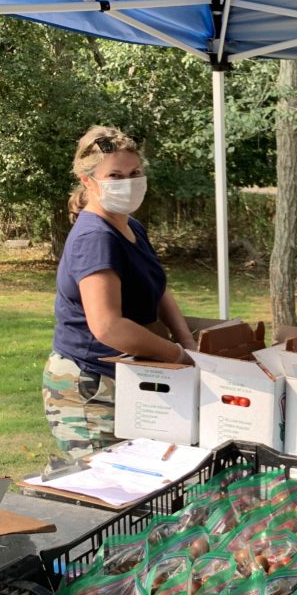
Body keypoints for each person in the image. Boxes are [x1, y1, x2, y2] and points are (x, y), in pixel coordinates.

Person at [43, 126, 195, 460]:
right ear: (88, 181)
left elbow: (159, 289)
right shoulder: (96, 237)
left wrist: (189, 343)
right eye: (115, 175)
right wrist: (177, 355)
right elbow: (108, 326)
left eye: (134, 173)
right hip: (90, 386)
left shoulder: (130, 226)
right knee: (109, 491)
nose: (127, 182)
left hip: (131, 378)